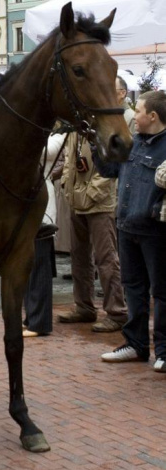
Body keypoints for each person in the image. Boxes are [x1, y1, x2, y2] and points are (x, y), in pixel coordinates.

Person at [97, 91, 166, 369]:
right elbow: (109, 170)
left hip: (156, 231)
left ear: (152, 116)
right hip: (126, 226)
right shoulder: (133, 142)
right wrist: (96, 143)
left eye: (137, 110)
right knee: (134, 289)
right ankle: (136, 345)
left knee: (162, 292)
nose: (133, 116)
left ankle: (163, 351)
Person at [58, 131, 127, 332]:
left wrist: (90, 194)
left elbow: (110, 171)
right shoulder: (74, 131)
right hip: (76, 201)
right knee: (78, 256)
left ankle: (116, 312)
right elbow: (68, 162)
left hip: (100, 204)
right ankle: (84, 306)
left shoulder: (105, 129)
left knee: (106, 258)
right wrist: (67, 187)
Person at [23, 130, 66, 337]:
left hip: (43, 206)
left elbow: (32, 148)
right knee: (26, 266)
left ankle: (39, 322)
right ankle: (31, 317)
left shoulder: (57, 138)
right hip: (25, 202)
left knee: (39, 265)